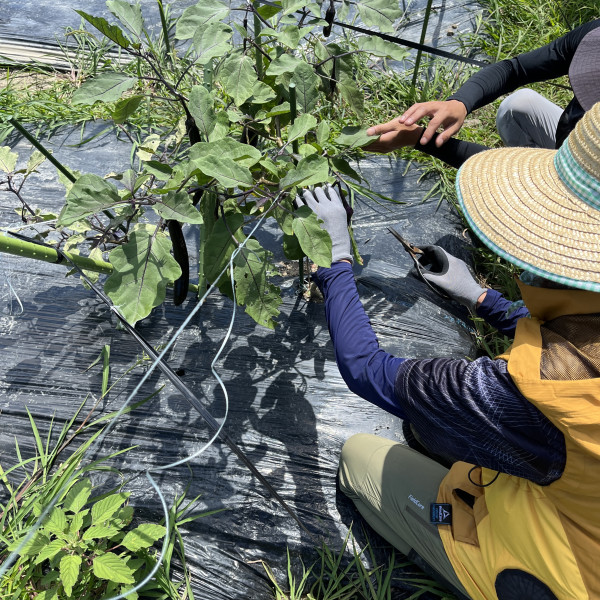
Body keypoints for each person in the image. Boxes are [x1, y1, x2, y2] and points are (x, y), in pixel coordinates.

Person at [299, 101, 600, 599]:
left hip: (568, 574)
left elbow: (364, 368)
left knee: (360, 456)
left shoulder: (519, 393)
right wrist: (482, 298)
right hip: (582, 491)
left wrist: (336, 257)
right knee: (429, 427)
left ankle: (465, 570)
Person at [365, 20, 600, 169]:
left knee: (540, 186)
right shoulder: (594, 36)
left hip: (589, 187)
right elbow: (514, 69)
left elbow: (506, 173)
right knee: (518, 106)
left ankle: (541, 215)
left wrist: (417, 140)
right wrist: (459, 103)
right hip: (576, 145)